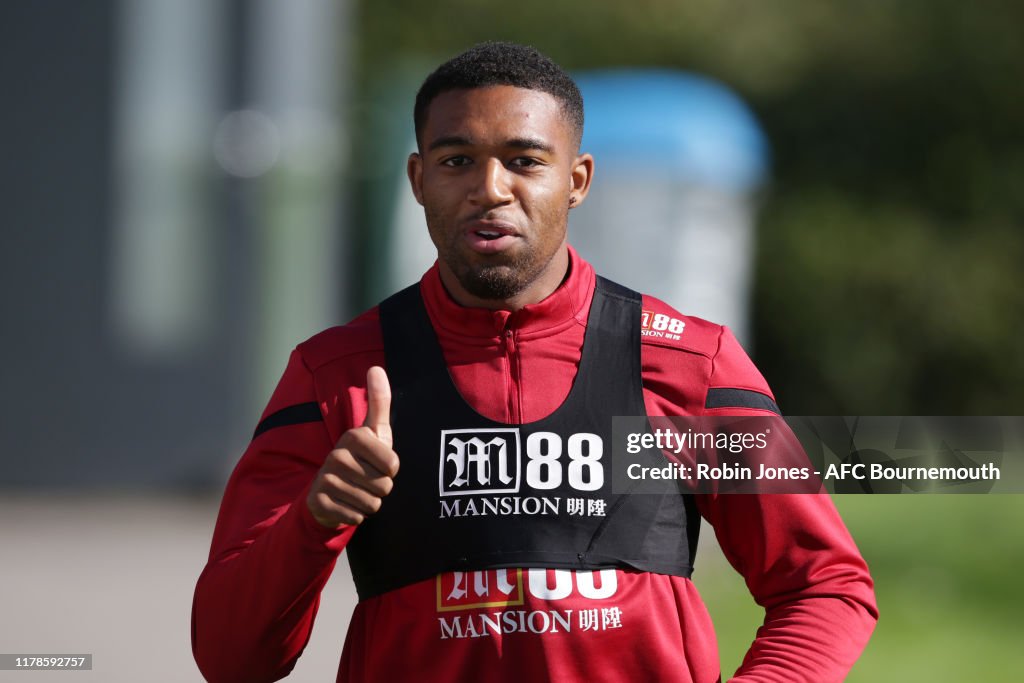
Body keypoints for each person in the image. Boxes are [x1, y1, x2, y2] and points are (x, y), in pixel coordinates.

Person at [192, 42, 877, 682]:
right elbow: (229, 655)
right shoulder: (335, 374)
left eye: (524, 160)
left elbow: (825, 585)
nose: (490, 188)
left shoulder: (690, 361)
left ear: (576, 180)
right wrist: (312, 523)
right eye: (456, 160)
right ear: (418, 178)